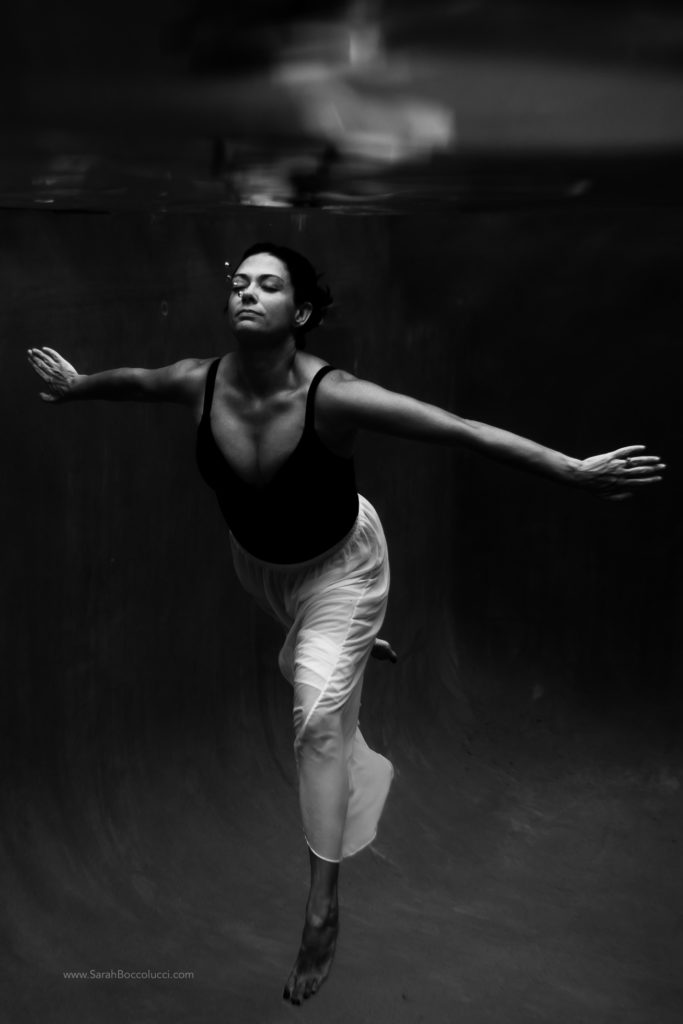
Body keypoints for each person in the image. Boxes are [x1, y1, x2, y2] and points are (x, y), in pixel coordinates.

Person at [27, 241, 665, 1006]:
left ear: (298, 312)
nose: (246, 294)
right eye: (237, 283)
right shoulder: (196, 383)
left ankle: (322, 906)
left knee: (316, 720)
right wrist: (75, 387)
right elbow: (129, 382)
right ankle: (348, 648)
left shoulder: (335, 396)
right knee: (314, 668)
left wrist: (570, 468)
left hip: (342, 567)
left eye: (267, 286)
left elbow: (457, 427)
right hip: (259, 570)